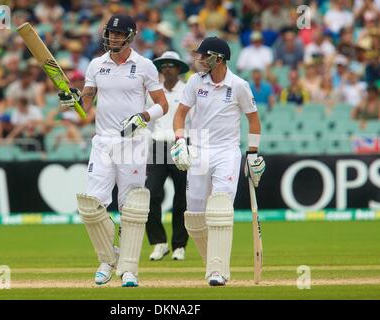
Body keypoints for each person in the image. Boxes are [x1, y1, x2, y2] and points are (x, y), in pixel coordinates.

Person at [58, 14, 168, 287]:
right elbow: (86, 103)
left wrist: (143, 116)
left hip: (133, 142)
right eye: (111, 33)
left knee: (130, 208)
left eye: (119, 34)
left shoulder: (144, 66)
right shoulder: (96, 64)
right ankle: (109, 258)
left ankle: (129, 268)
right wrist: (73, 99)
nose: (114, 38)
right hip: (103, 141)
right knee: (91, 206)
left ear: (130, 36)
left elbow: (162, 104)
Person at [171, 37, 265, 286]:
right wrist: (180, 140)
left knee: (221, 208)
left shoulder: (239, 85)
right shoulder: (195, 81)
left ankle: (218, 271)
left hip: (226, 152)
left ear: (219, 59)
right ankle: (213, 263)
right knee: (193, 216)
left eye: (204, 56)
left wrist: (253, 152)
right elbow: (180, 114)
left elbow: (253, 120)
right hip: (199, 150)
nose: (199, 60)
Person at [145, 51, 190, 261]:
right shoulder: (153, 92)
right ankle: (159, 243)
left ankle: (179, 245)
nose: (166, 69)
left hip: (180, 144)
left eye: (171, 65)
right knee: (150, 195)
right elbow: (148, 120)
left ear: (179, 69)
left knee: (182, 198)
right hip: (158, 145)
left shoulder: (188, 90)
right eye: (163, 66)